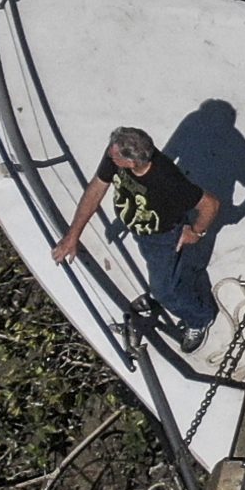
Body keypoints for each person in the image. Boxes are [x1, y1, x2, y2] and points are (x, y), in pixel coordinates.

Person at [52, 126, 222, 352]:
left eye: (115, 156)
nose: (110, 155)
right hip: (142, 232)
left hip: (163, 238)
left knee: (164, 291)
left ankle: (200, 318)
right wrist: (72, 236)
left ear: (132, 163)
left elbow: (211, 204)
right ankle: (178, 281)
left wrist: (196, 232)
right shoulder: (116, 152)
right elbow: (96, 189)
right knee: (162, 276)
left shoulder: (168, 181)